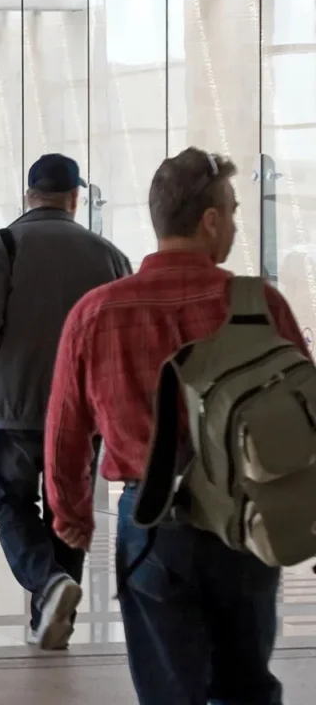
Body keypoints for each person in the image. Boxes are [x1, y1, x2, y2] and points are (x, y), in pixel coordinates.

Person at [46, 148, 303, 704]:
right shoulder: (262, 306)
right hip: (246, 522)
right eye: (232, 211)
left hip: (153, 523)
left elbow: (66, 430)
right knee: (245, 684)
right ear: (210, 220)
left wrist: (71, 516)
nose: (234, 224)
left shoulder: (97, 312)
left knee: (168, 691)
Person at [0, 153, 132, 650]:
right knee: (65, 509)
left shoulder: (3, 244)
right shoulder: (110, 256)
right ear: (75, 198)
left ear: (28, 194)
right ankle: (52, 623)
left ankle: (48, 585)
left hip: (15, 407)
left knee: (10, 501)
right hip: (81, 411)